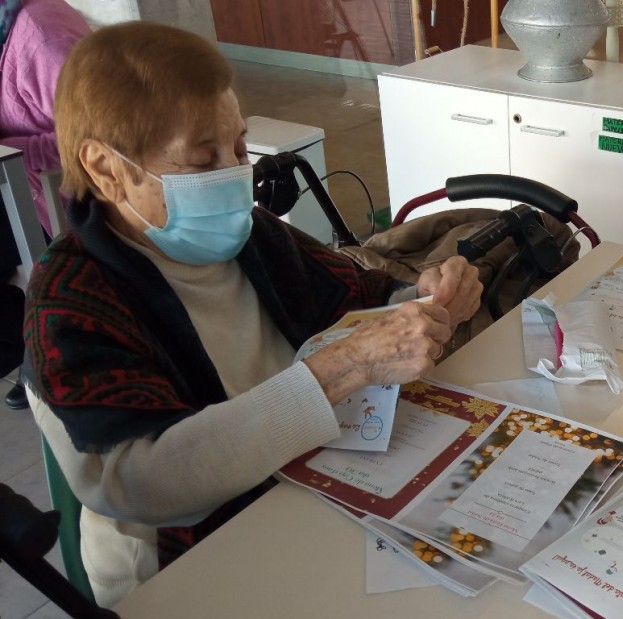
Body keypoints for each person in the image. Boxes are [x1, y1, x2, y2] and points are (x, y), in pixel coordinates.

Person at [25, 22, 482, 606]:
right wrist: (343, 368)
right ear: (107, 170)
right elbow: (141, 482)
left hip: (311, 485)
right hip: (189, 561)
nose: (237, 175)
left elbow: (358, 296)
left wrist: (422, 301)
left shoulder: (253, 236)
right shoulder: (72, 300)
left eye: (239, 148)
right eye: (203, 160)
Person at [0, 0, 89, 409]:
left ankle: (49, 349)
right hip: (24, 193)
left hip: (64, 201)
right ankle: (41, 348)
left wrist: (11, 152)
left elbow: (97, 138)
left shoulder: (42, 37)